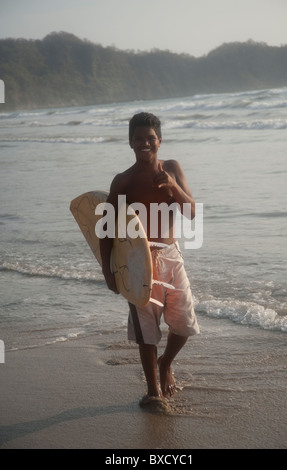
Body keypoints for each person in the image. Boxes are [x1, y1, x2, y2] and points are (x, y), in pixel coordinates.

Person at [100, 112, 199, 404]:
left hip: (170, 255)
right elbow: (106, 230)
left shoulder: (172, 168)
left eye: (150, 139)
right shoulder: (124, 181)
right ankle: (152, 391)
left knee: (184, 323)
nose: (145, 143)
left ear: (160, 140)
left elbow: (192, 212)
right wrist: (109, 272)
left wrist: (173, 187)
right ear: (130, 142)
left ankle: (166, 363)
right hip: (137, 261)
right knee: (146, 330)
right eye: (139, 139)